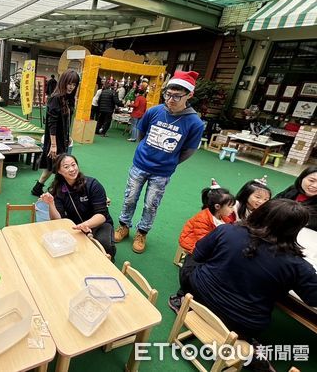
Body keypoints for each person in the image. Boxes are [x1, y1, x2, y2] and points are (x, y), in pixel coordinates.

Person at [169, 199, 317, 371]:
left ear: (261, 212)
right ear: (295, 230)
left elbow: (199, 253)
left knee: (192, 259)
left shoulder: (227, 230)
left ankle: (182, 298)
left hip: (198, 294)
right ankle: (247, 346)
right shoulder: (297, 265)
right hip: (241, 325)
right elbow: (313, 298)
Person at [115, 70, 205, 253]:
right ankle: (124, 225)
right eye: (168, 94)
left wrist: (170, 161)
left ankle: (142, 232)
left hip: (162, 172)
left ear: (189, 95)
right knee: (130, 198)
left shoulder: (195, 123)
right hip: (139, 164)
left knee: (151, 204)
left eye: (177, 96)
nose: (171, 99)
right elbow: (142, 133)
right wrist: (145, 152)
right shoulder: (154, 111)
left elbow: (189, 150)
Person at [39, 154, 116, 258]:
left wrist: (85, 224)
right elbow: (58, 220)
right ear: (59, 171)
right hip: (76, 226)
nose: (72, 169)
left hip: (99, 224)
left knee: (105, 245)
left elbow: (101, 216)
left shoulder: (93, 184)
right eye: (66, 167)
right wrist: (51, 204)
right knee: (70, 251)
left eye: (73, 165)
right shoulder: (58, 190)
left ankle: (109, 264)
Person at [31, 70, 80, 197]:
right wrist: (53, 145)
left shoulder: (68, 99)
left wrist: (67, 135)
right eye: (69, 83)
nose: (71, 87)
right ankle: (58, 191)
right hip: (54, 139)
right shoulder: (55, 98)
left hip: (62, 138)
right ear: (63, 82)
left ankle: (38, 188)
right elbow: (52, 123)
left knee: (52, 165)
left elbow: (66, 120)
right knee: (59, 166)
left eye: (74, 84)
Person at [178, 180, 236, 253]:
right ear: (217, 206)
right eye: (230, 206)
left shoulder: (224, 218)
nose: (233, 209)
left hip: (208, 242)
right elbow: (203, 241)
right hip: (192, 242)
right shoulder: (202, 219)